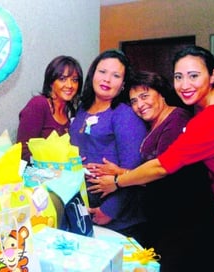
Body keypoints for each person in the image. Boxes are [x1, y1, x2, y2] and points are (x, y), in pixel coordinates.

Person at [89, 45, 214, 272]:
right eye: (178, 77)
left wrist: (117, 182)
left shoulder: (210, 118)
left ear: (213, 74)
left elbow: (162, 166)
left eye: (194, 76)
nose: (185, 85)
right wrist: (122, 172)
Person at [86, 70, 214, 272]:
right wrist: (121, 171)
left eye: (145, 96)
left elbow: (162, 172)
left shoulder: (176, 121)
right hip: (165, 216)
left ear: (161, 94)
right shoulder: (155, 123)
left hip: (185, 217)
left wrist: (117, 179)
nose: (140, 105)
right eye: (134, 101)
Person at [69, 49, 147, 240]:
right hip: (84, 205)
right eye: (102, 72)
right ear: (93, 73)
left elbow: (134, 170)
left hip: (117, 214)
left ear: (122, 85)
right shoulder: (82, 109)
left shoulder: (124, 114)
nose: (107, 79)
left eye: (116, 75)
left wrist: (110, 210)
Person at [16, 55, 83, 163]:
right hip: (39, 176)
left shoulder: (72, 111)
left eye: (74, 80)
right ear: (51, 82)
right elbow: (22, 151)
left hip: (67, 176)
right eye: (62, 79)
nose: (70, 85)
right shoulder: (39, 104)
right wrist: (55, 165)